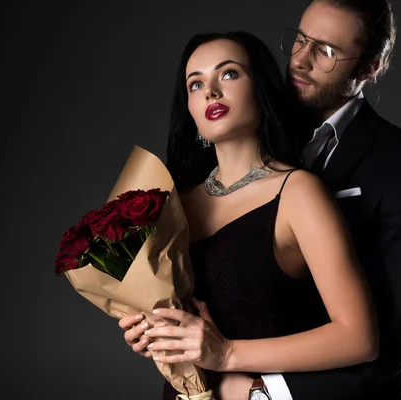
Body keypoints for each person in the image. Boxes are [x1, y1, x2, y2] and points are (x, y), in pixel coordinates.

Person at [119, 30, 381, 400]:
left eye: (228, 74)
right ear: (189, 108)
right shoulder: (174, 202)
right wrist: (152, 330)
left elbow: (359, 338)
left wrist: (225, 353)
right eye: (196, 84)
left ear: (261, 87)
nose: (210, 91)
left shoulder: (299, 193)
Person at [210, 1, 401, 399]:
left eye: (325, 51)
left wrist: (262, 392)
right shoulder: (249, 128)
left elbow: (394, 338)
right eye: (300, 39)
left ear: (369, 67)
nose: (300, 60)